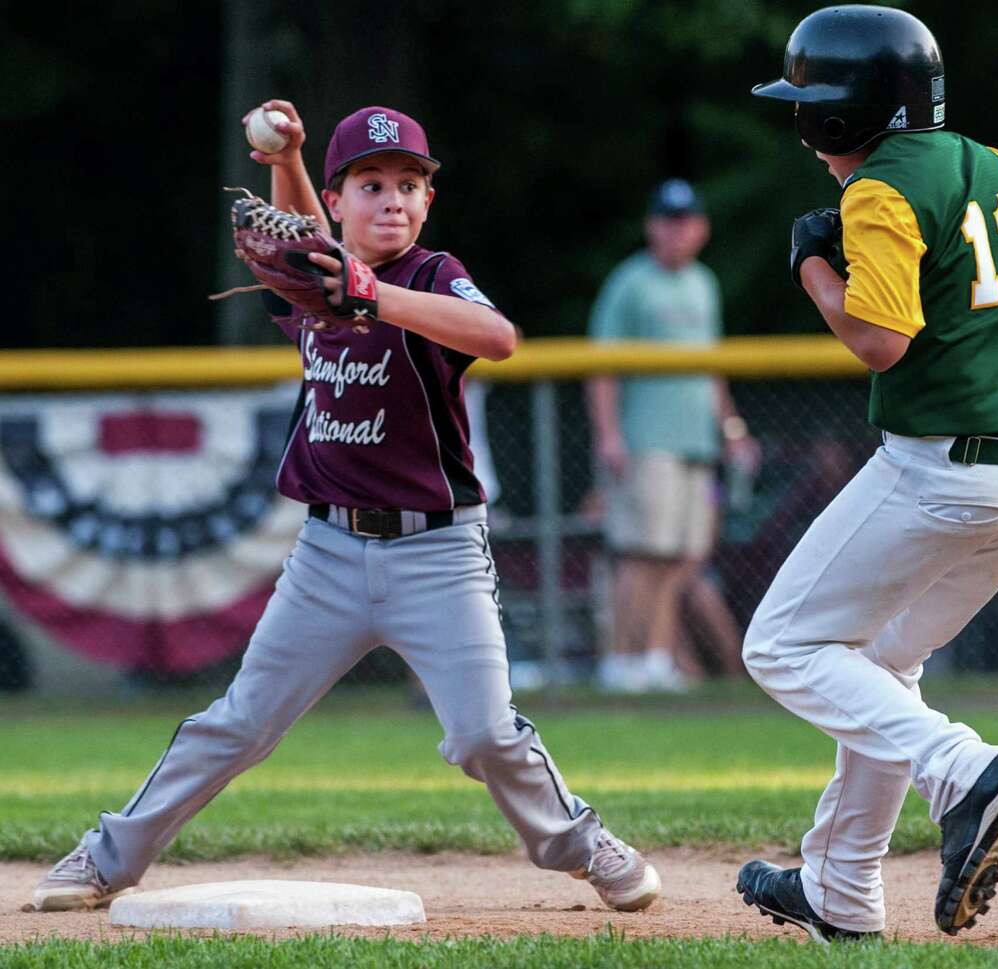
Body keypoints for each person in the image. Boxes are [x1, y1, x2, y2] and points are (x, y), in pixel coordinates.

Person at [32, 101, 660, 915]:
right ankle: (108, 856)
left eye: (409, 184)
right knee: (239, 723)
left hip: (438, 554)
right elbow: (306, 254)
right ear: (337, 201)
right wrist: (285, 161)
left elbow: (498, 336)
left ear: (429, 202)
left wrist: (373, 293)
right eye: (370, 184)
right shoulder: (310, 279)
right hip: (326, 556)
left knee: (483, 734)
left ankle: (579, 841)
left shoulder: (432, 277)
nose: (392, 199)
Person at [734, 6, 998, 943]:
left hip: (941, 467)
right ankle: (840, 893)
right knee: (883, 662)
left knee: (780, 646)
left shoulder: (879, 192)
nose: (802, 124)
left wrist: (816, 267)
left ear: (844, 118)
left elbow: (880, 341)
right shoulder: (994, 165)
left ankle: (964, 773)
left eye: (809, 105)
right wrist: (958, 292)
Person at [586, 179, 758, 692]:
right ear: (651, 226)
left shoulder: (704, 283)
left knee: (683, 557)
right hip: (647, 441)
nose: (676, 231)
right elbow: (601, 366)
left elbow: (712, 370)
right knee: (642, 552)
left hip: (697, 444)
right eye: (667, 220)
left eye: (685, 221)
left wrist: (732, 430)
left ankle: (657, 659)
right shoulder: (630, 282)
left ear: (701, 229)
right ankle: (620, 661)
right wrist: (610, 435)